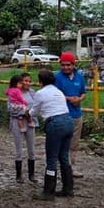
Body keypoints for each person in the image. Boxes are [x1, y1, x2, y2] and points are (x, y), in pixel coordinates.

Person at [30, 70, 74, 201]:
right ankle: (68, 188)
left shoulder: (41, 93)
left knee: (52, 158)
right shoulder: (58, 92)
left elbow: (35, 111)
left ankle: (48, 191)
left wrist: (27, 113)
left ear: (40, 81)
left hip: (55, 124)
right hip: (68, 121)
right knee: (64, 157)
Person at [54, 52, 86, 178]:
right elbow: (55, 94)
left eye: (68, 65)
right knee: (61, 143)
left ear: (73, 65)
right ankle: (61, 167)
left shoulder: (79, 76)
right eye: (63, 65)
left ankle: (72, 166)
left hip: (77, 114)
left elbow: (83, 92)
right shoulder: (57, 77)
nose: (66, 67)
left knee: (74, 143)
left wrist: (79, 99)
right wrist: (69, 99)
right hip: (62, 114)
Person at [6, 74, 38, 184]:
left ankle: (31, 174)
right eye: (25, 81)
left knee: (31, 148)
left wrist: (29, 113)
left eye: (29, 81)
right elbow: (10, 108)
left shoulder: (32, 93)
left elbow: (36, 106)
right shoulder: (13, 92)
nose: (27, 83)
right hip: (17, 120)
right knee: (19, 148)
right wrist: (23, 112)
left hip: (30, 120)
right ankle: (19, 174)